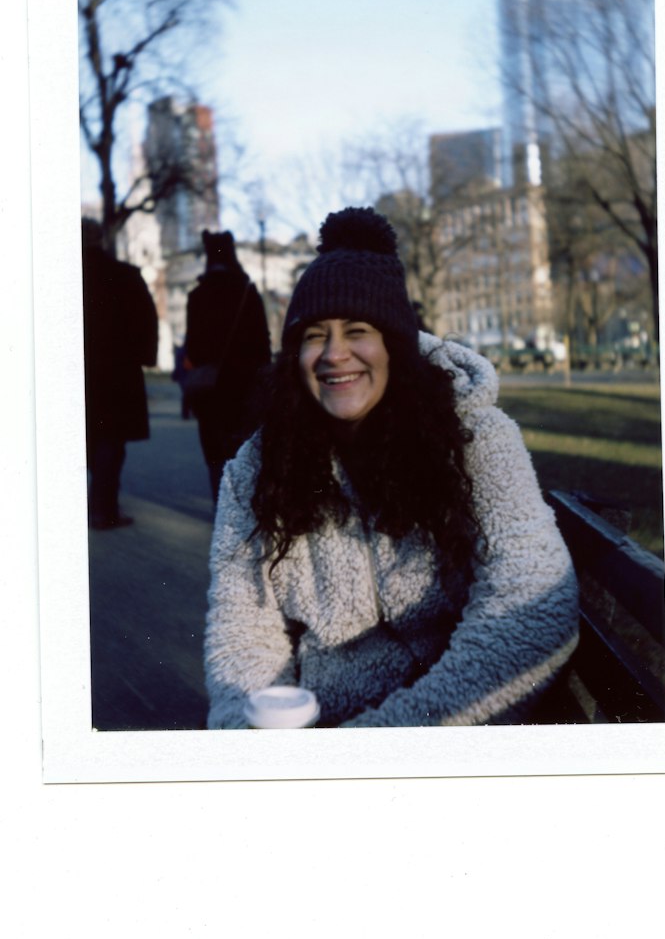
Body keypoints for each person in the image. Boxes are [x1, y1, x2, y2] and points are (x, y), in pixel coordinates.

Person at [204, 207, 579, 728]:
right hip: (321, 730)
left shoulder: (475, 438)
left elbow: (532, 601)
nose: (334, 354)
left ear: (395, 346)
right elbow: (242, 627)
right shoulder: (257, 468)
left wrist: (385, 739)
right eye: (314, 334)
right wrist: (248, 735)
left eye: (357, 330)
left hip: (453, 733)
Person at [81, 218, 159, 530]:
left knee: (85, 439)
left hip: (78, 373)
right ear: (101, 238)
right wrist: (145, 358)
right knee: (111, 443)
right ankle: (103, 508)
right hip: (117, 374)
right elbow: (146, 321)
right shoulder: (125, 275)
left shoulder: (60, 277)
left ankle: (95, 504)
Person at [184, 230, 271, 502]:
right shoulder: (247, 292)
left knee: (214, 456)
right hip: (246, 386)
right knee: (246, 451)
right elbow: (263, 343)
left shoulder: (197, 296)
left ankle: (220, 510)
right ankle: (247, 510)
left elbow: (193, 348)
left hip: (210, 389)